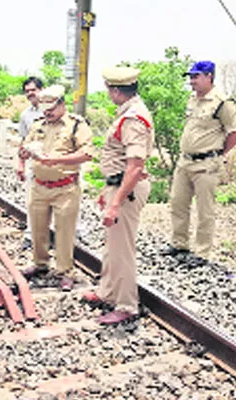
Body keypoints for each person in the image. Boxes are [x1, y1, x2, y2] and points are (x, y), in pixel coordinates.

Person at [82, 67, 154, 325]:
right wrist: (108, 189)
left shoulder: (133, 118)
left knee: (122, 250)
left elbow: (134, 167)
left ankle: (126, 305)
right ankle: (107, 292)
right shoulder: (128, 113)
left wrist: (116, 202)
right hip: (119, 185)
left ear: (115, 90)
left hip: (128, 190)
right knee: (112, 246)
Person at [161, 61, 236, 259]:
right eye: (191, 77)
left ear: (209, 77)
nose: (192, 81)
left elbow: (235, 132)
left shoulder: (222, 103)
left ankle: (201, 252)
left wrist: (219, 154)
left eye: (196, 77)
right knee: (178, 204)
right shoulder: (192, 99)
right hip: (185, 162)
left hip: (206, 164)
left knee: (205, 211)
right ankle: (179, 244)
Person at [18, 85, 94, 291]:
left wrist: (58, 160)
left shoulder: (77, 125)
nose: (47, 112)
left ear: (62, 104)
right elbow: (25, 144)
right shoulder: (37, 124)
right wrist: (23, 156)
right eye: (44, 107)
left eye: (51, 107)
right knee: (38, 228)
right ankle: (40, 264)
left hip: (65, 188)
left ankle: (65, 271)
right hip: (39, 186)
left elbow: (87, 153)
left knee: (64, 231)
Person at [17, 77, 44, 250]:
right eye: (27, 91)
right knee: (32, 200)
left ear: (41, 89)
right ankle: (30, 236)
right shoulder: (25, 115)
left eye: (33, 90)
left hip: (55, 163)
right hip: (34, 164)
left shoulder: (54, 109)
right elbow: (23, 141)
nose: (30, 94)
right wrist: (20, 163)